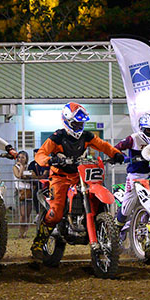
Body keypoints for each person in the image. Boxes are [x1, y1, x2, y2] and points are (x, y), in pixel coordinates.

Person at [32, 102, 124, 256]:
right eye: (75, 123)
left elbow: (103, 145)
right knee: (56, 212)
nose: (79, 126)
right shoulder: (58, 137)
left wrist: (116, 154)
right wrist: (49, 161)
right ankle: (38, 244)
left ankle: (101, 231)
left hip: (80, 175)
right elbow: (40, 154)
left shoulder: (87, 136)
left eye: (81, 123)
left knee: (96, 201)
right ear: (67, 121)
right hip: (60, 177)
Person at [113, 112, 150, 226]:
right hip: (135, 176)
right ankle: (117, 228)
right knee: (127, 206)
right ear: (142, 129)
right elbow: (115, 148)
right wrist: (124, 158)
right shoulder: (134, 138)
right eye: (149, 130)